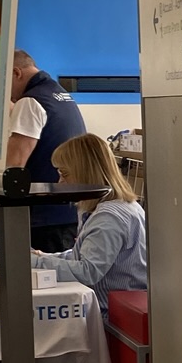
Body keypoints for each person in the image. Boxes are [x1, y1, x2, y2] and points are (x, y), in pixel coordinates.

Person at [31, 131, 147, 310]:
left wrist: (33, 263)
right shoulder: (112, 207)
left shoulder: (109, 218)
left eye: (65, 174)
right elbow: (84, 255)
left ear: (85, 173)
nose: (60, 181)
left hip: (108, 313)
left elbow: (88, 272)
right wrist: (44, 257)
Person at [6, 49, 87, 251]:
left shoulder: (31, 101)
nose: (5, 94)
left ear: (16, 73)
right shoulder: (59, 94)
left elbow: (13, 165)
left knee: (42, 277)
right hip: (68, 209)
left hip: (45, 216)